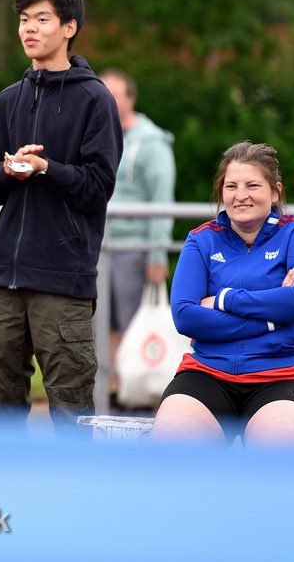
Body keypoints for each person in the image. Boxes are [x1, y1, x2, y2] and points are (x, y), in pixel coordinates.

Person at [0, 0, 123, 437]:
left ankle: (76, 485)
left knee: (71, 411)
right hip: (2, 275)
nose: (29, 29)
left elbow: (98, 186)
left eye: (41, 19)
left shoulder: (95, 99)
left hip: (63, 278)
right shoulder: (8, 100)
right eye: (24, 20)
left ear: (69, 27)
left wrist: (45, 168)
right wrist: (10, 171)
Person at [151, 141, 294, 448]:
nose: (240, 195)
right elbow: (185, 317)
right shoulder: (201, 239)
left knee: (274, 443)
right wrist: (274, 317)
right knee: (173, 440)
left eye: (252, 185)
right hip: (207, 373)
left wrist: (225, 300)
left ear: (275, 191)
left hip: (287, 374)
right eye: (231, 186)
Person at [99, 68, 176, 400]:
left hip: (133, 247)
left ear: (130, 99)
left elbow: (162, 201)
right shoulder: (95, 135)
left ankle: (137, 392)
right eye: (103, 93)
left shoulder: (152, 144)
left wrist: (157, 254)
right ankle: (112, 391)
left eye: (115, 94)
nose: (108, 100)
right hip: (98, 245)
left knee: (132, 323)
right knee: (103, 324)